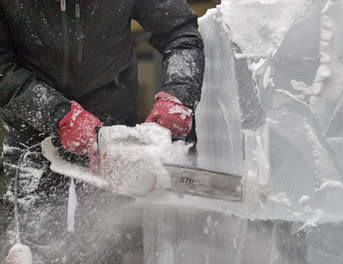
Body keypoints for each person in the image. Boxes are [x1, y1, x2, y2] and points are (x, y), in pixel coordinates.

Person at [0, 0, 205, 263]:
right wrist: (59, 114)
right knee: (34, 248)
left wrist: (179, 94)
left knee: (105, 245)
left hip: (111, 131)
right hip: (32, 133)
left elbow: (179, 31)